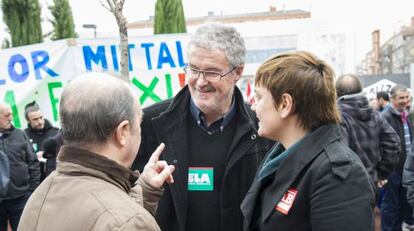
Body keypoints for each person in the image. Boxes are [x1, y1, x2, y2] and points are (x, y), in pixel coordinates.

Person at [132, 22, 274, 231]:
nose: (200, 82)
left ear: (238, 72)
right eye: (194, 69)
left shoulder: (262, 128)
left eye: (212, 72)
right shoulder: (149, 123)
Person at [18, 73, 175, 231]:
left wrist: (144, 191)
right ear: (122, 132)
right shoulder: (127, 222)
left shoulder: (38, 198)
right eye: (139, 123)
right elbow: (115, 219)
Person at [240, 51, 375, 231]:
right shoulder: (278, 156)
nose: (253, 106)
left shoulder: (338, 175)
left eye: (258, 97)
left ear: (285, 104)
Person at [336, 74, 400, 188]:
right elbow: (393, 142)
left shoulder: (337, 117)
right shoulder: (375, 114)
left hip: (347, 188)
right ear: (360, 90)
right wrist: (381, 174)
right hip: (371, 183)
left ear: (337, 93)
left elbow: (341, 157)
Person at [0, 103, 40, 231]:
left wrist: (31, 190)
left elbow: (33, 162)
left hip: (21, 199)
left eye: (11, 114)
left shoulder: (20, 135)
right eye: (7, 115)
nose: (11, 118)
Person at [381, 85, 414, 231]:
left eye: (407, 97)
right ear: (392, 99)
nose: (405, 100)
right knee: (391, 206)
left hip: (406, 169)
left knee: (404, 202)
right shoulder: (384, 117)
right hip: (392, 169)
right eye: (401, 98)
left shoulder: (407, 114)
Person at [24, 101, 59, 181]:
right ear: (28, 120)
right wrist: (34, 157)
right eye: (35, 119)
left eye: (41, 117)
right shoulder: (24, 136)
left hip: (57, 178)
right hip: (36, 181)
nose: (39, 122)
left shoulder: (56, 132)